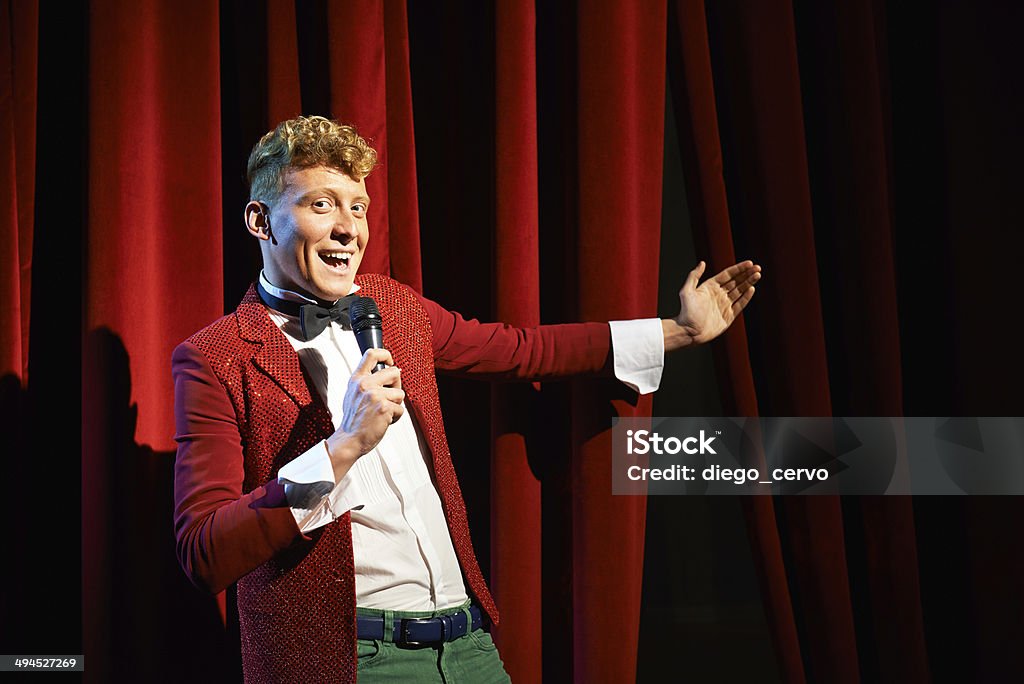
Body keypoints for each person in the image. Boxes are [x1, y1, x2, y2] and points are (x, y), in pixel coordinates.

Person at [172, 115, 761, 683]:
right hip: (350, 659)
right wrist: (342, 448)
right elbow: (204, 552)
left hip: (469, 644)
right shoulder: (217, 356)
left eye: (358, 208)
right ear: (260, 220)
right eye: (320, 204)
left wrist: (677, 331)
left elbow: (520, 350)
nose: (349, 228)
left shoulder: (395, 307)